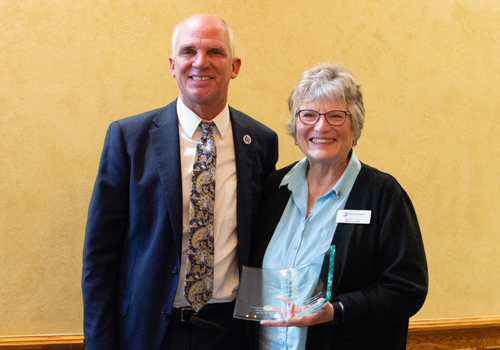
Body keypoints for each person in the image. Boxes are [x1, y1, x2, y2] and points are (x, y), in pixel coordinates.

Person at [82, 14, 279, 350]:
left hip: (231, 332)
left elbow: (262, 244)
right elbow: (99, 257)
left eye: (215, 52)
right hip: (150, 333)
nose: (201, 62)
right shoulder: (130, 139)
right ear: (173, 65)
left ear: (234, 66)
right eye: (189, 52)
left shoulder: (259, 142)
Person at [250, 62, 428, 350]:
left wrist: (337, 311)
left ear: (355, 127)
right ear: (295, 127)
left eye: (336, 116)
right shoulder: (273, 189)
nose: (321, 126)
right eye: (308, 115)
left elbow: (407, 288)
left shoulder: (382, 195)